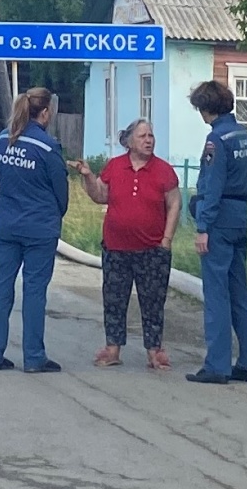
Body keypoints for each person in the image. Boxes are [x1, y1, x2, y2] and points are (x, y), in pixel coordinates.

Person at [75, 119, 181, 369]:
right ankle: (112, 349)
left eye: (151, 136)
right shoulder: (115, 166)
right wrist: (89, 176)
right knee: (114, 299)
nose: (149, 140)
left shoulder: (164, 170)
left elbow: (174, 204)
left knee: (153, 301)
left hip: (152, 250)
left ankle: (154, 351)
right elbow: (100, 196)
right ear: (129, 141)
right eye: (143, 136)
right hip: (116, 248)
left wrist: (166, 240)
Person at [0, 87, 68, 374]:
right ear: (45, 113)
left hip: (6, 224)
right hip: (39, 228)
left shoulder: (4, 140)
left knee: (1, 287)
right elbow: (61, 193)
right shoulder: (47, 146)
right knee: (34, 291)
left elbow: (1, 177)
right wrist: (54, 215)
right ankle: (34, 357)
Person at [184, 79, 247, 385]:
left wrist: (203, 227)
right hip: (240, 217)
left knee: (216, 294)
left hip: (218, 222)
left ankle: (217, 365)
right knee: (239, 293)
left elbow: (212, 186)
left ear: (206, 108)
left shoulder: (216, 140)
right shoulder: (243, 135)